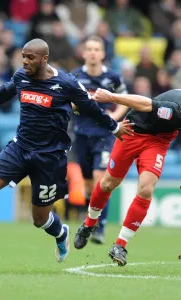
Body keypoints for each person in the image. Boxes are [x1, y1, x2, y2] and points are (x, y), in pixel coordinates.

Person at [0, 39, 132, 270]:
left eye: (30, 57)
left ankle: (61, 233)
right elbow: (6, 91)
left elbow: (90, 107)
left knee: (39, 219)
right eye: (23, 56)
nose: (25, 61)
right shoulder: (21, 76)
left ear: (44, 59)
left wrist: (114, 128)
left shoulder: (66, 83)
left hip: (50, 158)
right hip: (19, 148)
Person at [74, 87, 181, 266]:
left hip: (159, 141)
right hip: (132, 131)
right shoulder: (176, 108)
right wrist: (111, 97)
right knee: (108, 184)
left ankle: (120, 245)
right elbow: (145, 103)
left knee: (146, 189)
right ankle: (88, 224)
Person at [72, 36, 128, 244]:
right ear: (84, 53)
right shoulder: (75, 76)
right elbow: (67, 102)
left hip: (104, 136)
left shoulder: (113, 77)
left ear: (103, 53)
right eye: (89, 49)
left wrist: (113, 118)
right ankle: (91, 220)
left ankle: (99, 228)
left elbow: (124, 100)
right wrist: (78, 105)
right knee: (88, 185)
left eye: (97, 49)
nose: (93, 52)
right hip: (81, 134)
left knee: (100, 180)